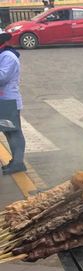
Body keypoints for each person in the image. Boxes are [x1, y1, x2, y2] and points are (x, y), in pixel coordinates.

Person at [0, 33, 26, 175]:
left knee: (14, 132)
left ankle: (18, 163)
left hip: (8, 100)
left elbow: (2, 78)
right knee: (8, 132)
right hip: (4, 100)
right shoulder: (2, 54)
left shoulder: (8, 56)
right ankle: (16, 161)